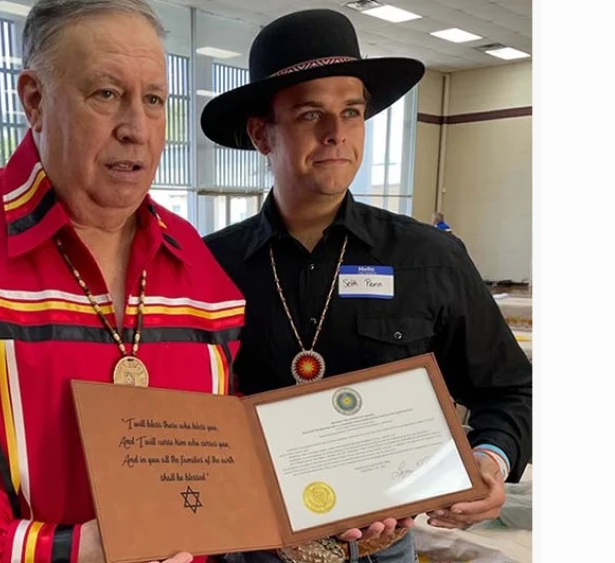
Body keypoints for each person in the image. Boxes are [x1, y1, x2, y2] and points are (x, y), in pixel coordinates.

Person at [0, 1, 246, 562]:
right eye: (106, 94)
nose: (136, 129)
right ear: (34, 100)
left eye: (153, 99)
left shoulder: (203, 272)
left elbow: (219, 462)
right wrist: (59, 550)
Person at [201, 9, 531, 563]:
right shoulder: (209, 268)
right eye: (311, 114)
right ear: (262, 133)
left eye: (351, 112)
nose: (336, 133)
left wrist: (490, 458)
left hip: (384, 549)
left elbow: (508, 389)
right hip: (253, 547)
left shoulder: (429, 258)